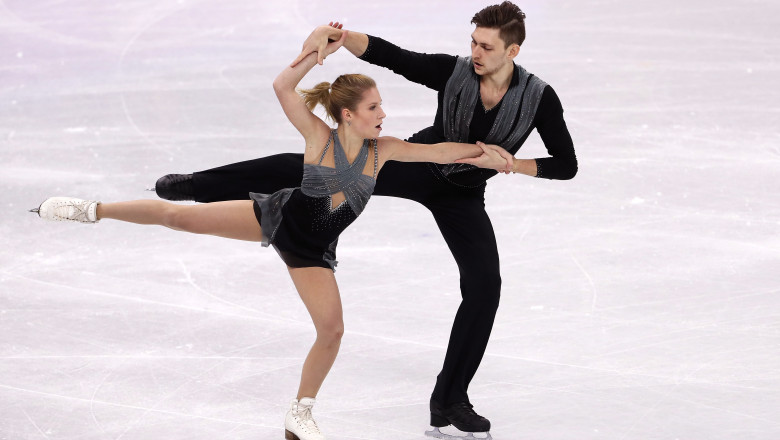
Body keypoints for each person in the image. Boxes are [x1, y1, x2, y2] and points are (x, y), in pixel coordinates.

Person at [30, 31, 510, 440]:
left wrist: (485, 153)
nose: (383, 112)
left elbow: (441, 150)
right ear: (348, 114)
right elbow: (282, 86)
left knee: (332, 330)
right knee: (176, 218)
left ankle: (300, 414)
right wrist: (313, 54)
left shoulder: (384, 150)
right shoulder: (318, 138)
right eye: (374, 105)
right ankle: (91, 209)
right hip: (276, 217)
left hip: (313, 253)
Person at [154, 2, 578, 437]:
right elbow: (395, 57)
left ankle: (450, 400)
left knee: (485, 285)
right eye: (473, 41)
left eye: (486, 46)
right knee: (318, 164)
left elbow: (566, 164)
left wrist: (510, 165)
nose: (475, 51)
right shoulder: (454, 72)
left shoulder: (538, 98)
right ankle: (198, 186)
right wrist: (340, 37)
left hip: (463, 194)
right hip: (417, 164)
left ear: (513, 51)